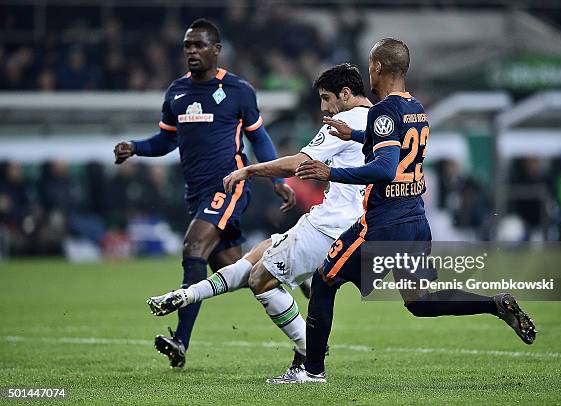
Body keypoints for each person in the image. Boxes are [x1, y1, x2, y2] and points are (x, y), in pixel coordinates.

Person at [271, 38, 537, 384]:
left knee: (324, 281)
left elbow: (384, 169)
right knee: (420, 301)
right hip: (415, 221)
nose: (369, 72)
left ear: (378, 67)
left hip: (383, 224)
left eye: (370, 66)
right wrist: (354, 135)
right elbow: (394, 143)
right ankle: (494, 304)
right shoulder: (416, 107)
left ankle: (312, 372)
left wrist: (331, 172)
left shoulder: (383, 110)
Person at [146, 63, 371, 373]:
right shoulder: (382, 122)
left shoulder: (342, 122)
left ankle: (311, 351)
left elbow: (296, 164)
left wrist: (249, 170)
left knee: (260, 280)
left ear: (345, 95)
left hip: (330, 227)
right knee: (257, 256)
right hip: (362, 228)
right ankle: (187, 294)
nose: (323, 107)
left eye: (325, 98)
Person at [113, 18, 295, 368]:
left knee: (193, 246)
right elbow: (166, 139)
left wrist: (277, 180)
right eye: (187, 46)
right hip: (197, 194)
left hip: (229, 185)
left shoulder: (239, 91)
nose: (192, 51)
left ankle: (180, 340)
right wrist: (134, 147)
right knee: (235, 270)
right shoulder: (176, 93)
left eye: (199, 45)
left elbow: (259, 137)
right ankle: (289, 269)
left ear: (216, 50)